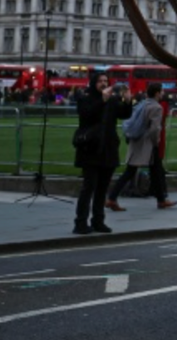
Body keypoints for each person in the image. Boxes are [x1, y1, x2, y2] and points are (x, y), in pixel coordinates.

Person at [72, 72, 132, 235]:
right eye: (100, 81)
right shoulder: (85, 98)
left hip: (108, 149)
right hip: (90, 148)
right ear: (93, 83)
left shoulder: (112, 100)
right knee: (88, 187)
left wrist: (127, 101)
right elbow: (86, 115)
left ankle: (98, 221)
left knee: (102, 188)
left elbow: (125, 114)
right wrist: (102, 100)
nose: (104, 84)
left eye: (106, 81)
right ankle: (80, 222)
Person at [105, 82, 177, 210]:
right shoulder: (156, 107)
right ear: (157, 93)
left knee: (154, 170)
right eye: (161, 91)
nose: (163, 94)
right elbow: (155, 129)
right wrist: (156, 142)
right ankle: (112, 198)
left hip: (136, 140)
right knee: (132, 171)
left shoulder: (142, 104)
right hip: (147, 144)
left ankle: (161, 200)